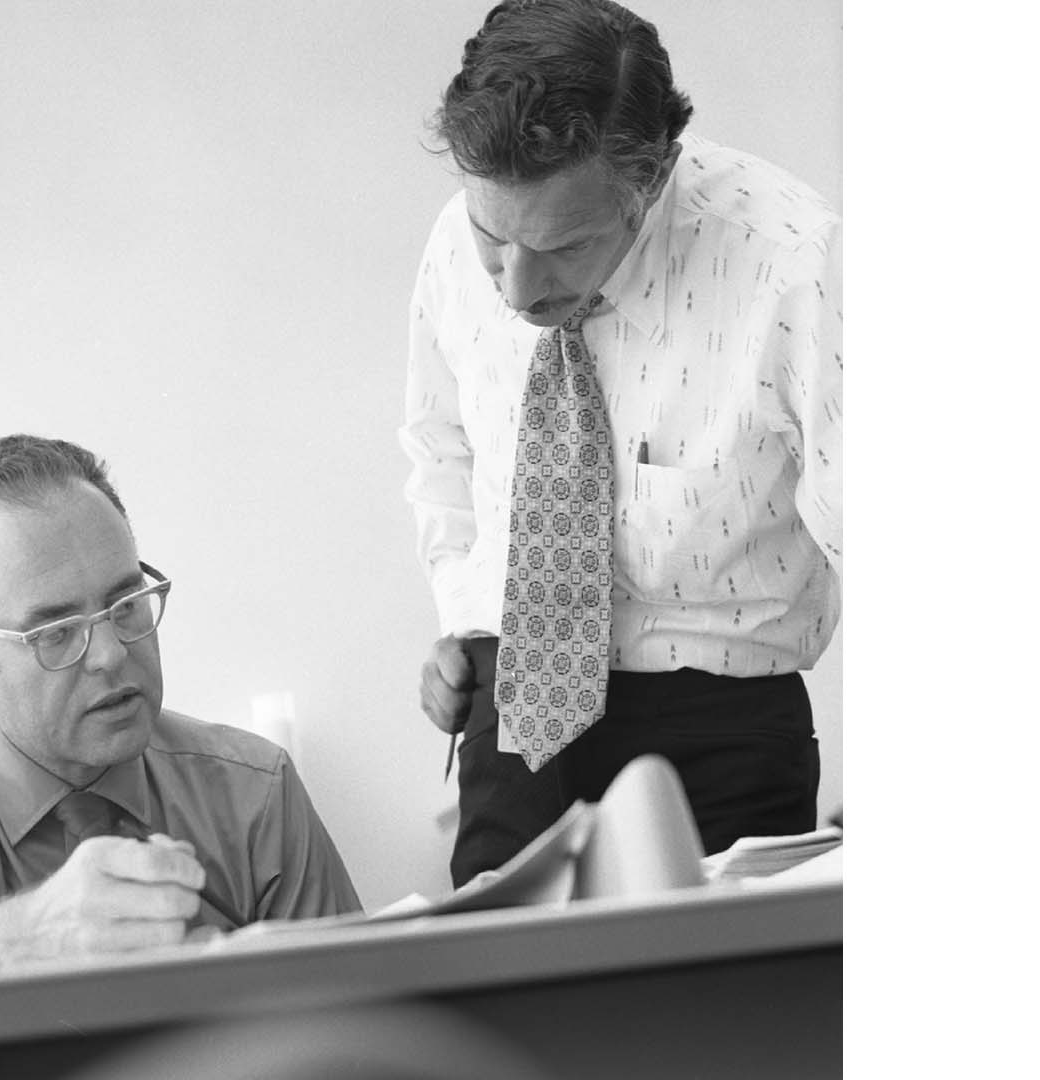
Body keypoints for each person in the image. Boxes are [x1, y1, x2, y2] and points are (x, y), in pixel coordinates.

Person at [400, 0, 842, 886]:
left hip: (716, 726)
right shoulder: (458, 241)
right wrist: (468, 613)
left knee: (703, 1015)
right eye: (496, 238)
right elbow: (439, 449)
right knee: (505, 996)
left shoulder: (792, 264)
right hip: (513, 704)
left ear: (653, 176)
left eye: (563, 245)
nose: (518, 288)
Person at [0, 435, 360, 972]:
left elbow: (355, 1019)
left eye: (126, 605)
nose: (109, 654)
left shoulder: (256, 793)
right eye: (56, 632)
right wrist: (32, 934)